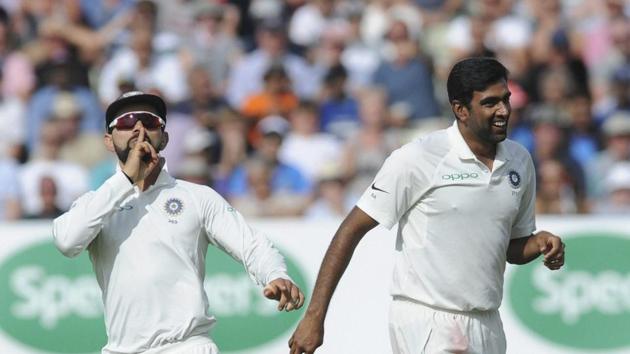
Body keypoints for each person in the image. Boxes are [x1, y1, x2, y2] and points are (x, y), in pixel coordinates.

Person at [289, 58, 565, 354]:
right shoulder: (418, 157)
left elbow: (511, 247)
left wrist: (539, 243)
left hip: (487, 322)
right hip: (427, 321)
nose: (504, 111)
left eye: (506, 99)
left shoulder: (519, 160)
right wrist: (315, 317)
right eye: (490, 103)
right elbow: (350, 230)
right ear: (460, 109)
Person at [52, 91, 304, 354]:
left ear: (165, 137)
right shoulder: (97, 203)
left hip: (186, 345)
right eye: (127, 122)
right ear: (108, 140)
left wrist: (276, 274)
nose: (139, 128)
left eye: (149, 122)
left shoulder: (196, 196)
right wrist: (126, 179)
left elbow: (253, 245)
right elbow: (67, 241)